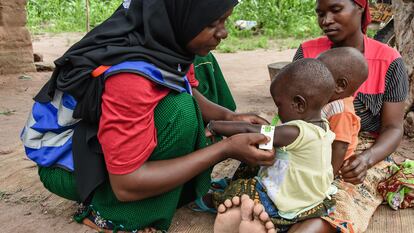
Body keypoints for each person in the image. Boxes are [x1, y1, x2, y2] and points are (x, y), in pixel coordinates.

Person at [20, 1, 276, 232]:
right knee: (180, 113)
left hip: (94, 143)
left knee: (197, 78)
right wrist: (225, 149)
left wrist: (230, 117)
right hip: (66, 166)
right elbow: (127, 183)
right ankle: (111, 216)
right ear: (178, 15)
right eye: (212, 23)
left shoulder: (163, 41)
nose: (223, 32)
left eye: (225, 20)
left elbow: (184, 86)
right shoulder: (130, 77)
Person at [291, 0, 409, 232]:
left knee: (338, 203)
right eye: (320, 14)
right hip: (308, 140)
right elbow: (291, 109)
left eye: (335, 10)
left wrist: (366, 159)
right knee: (271, 187)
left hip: (362, 150)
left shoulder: (389, 60)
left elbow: (393, 128)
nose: (326, 21)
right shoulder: (307, 52)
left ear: (361, 8)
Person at [208, 58, 337, 233]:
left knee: (243, 187)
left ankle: (239, 210)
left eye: (279, 105)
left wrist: (214, 126)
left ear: (299, 104)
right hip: (314, 204)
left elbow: (250, 129)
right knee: (257, 158)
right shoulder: (322, 126)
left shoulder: (294, 132)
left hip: (282, 204)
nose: (277, 112)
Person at [317, 47, 368, 175]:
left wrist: (328, 177)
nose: (312, 79)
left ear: (339, 85)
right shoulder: (329, 101)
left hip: (335, 163)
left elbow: (340, 147)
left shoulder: (341, 111)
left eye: (318, 76)